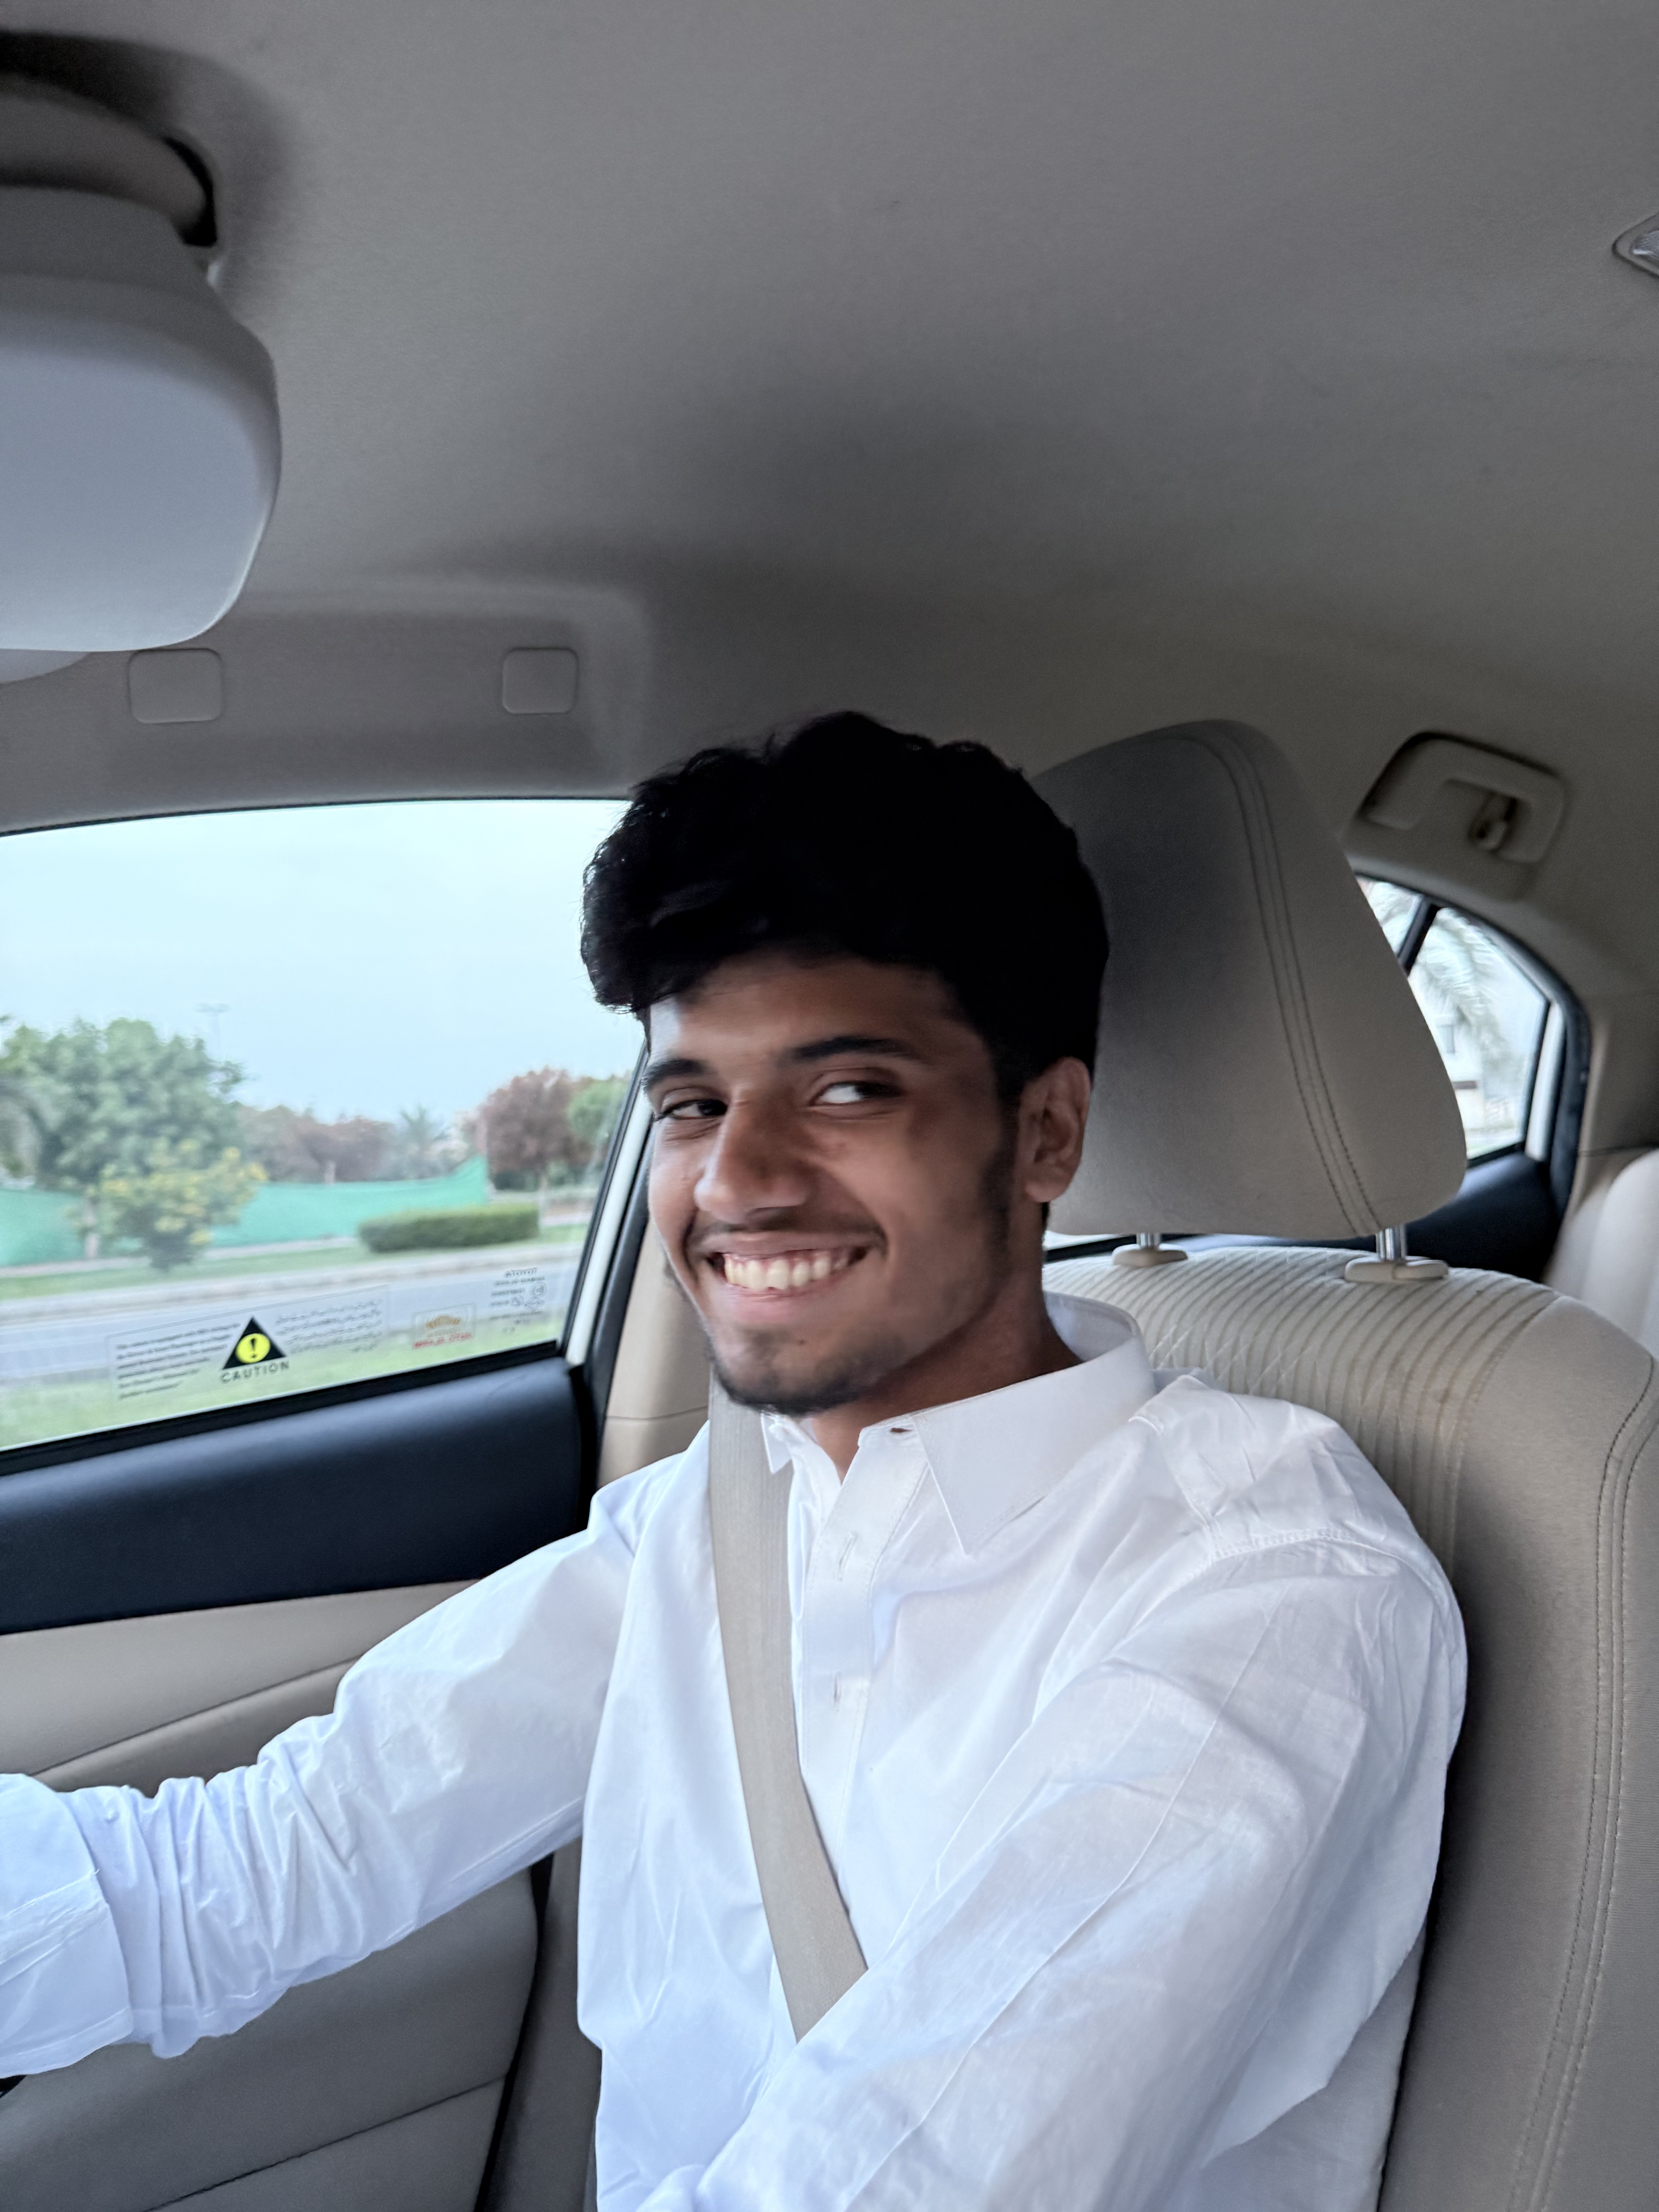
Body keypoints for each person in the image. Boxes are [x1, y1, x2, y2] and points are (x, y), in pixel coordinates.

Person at [0, 714, 1463, 2212]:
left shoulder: (1269, 1595)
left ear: (1043, 1132)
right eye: (694, 1104)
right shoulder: (717, 1519)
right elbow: (264, 1862)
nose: (740, 1181)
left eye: (845, 1092)